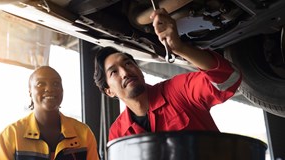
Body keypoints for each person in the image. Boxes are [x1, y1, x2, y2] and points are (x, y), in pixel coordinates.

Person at [93, 8, 242, 142]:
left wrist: (180, 48)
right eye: (114, 72)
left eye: (128, 63)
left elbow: (228, 78)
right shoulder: (118, 133)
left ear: (140, 70)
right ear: (109, 91)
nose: (125, 72)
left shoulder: (178, 91)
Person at [0, 66, 100, 160]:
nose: (49, 89)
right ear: (30, 92)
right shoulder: (10, 135)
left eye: (56, 83)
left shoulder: (84, 133)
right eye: (40, 84)